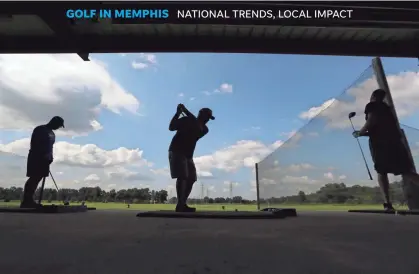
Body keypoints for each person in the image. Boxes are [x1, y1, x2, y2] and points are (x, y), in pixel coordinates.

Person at [353, 89, 419, 210]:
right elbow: (380, 128)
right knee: (407, 171)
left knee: (381, 171)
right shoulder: (387, 109)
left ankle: (387, 204)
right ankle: (387, 204)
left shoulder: (372, 105)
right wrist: (364, 134)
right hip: (395, 143)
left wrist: (361, 132)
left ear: (373, 96)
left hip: (381, 145)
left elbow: (371, 121)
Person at [169, 104, 214, 212]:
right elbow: (171, 127)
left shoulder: (204, 129)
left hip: (188, 155)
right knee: (182, 176)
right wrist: (177, 114)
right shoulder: (187, 119)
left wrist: (185, 111)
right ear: (201, 115)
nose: (208, 120)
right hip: (176, 150)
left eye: (209, 118)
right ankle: (180, 205)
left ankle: (182, 203)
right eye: (207, 117)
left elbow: (196, 125)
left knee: (192, 178)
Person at [21, 116, 65, 208]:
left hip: (46, 159)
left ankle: (30, 200)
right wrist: (42, 154)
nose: (58, 128)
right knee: (34, 177)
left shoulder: (52, 134)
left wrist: (50, 157)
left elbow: (50, 147)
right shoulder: (40, 129)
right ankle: (26, 201)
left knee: (38, 178)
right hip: (36, 156)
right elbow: (34, 143)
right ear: (54, 122)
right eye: (59, 125)